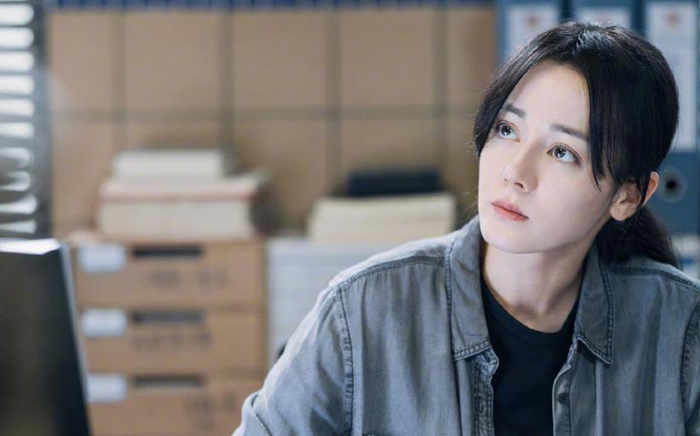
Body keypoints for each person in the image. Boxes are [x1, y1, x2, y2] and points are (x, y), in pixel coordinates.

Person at [233, 21, 700, 435]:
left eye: (562, 152)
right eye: (507, 130)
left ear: (627, 196)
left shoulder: (681, 328)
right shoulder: (361, 311)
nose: (515, 172)